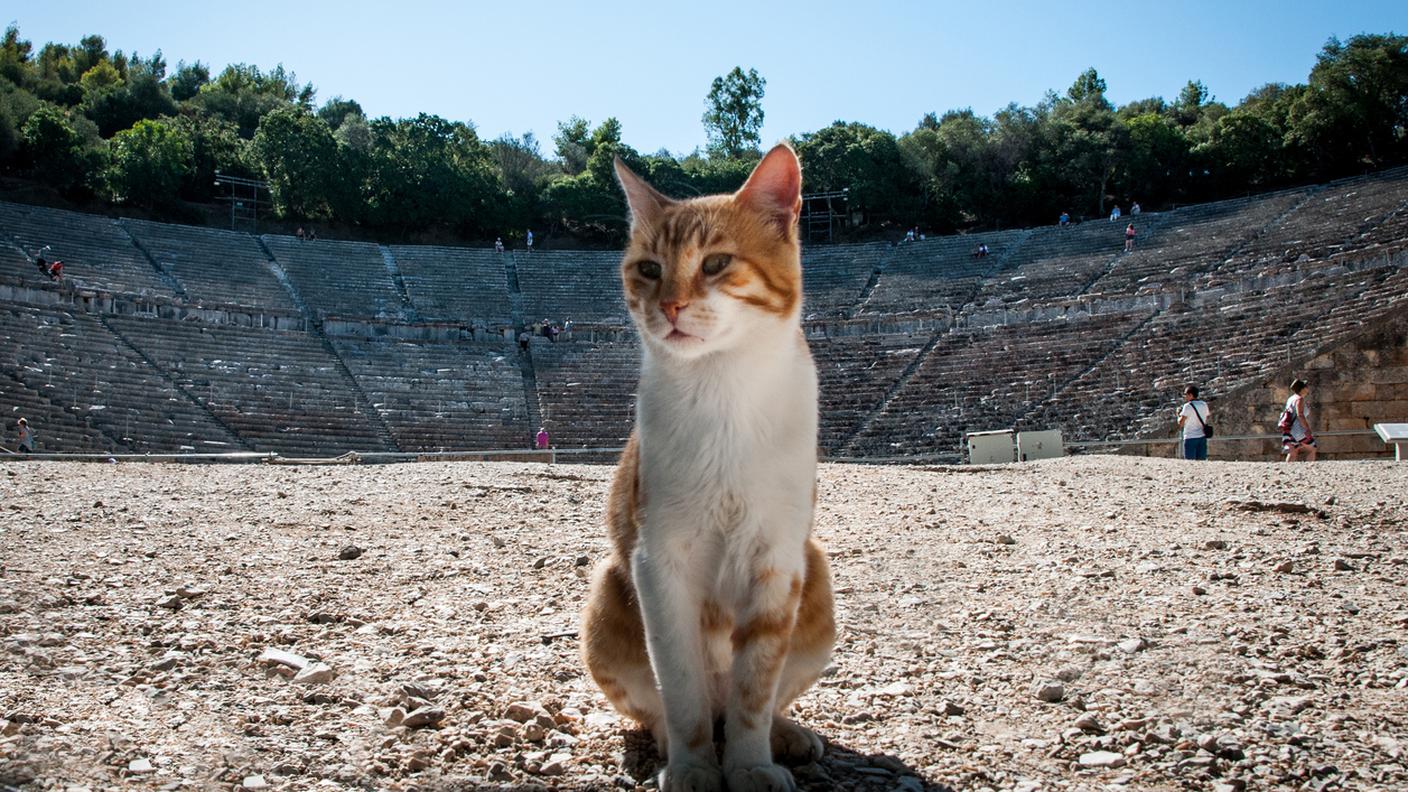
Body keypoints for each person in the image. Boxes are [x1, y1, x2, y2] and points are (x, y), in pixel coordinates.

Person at [1282, 379, 1316, 462]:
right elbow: (1300, 415)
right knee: (1312, 449)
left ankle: (1287, 472)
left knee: (1293, 451)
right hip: (1298, 430)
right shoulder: (1299, 399)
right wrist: (1307, 428)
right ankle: (1310, 471)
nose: (1308, 388)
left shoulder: (1291, 399)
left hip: (1288, 429)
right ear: (1303, 388)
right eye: (1306, 386)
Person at [1176, 385, 1210, 460]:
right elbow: (1206, 417)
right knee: (1201, 462)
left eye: (1185, 394)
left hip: (1190, 437)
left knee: (1190, 462)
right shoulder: (1204, 404)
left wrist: (1178, 415)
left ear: (1190, 395)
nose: (1184, 396)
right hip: (1202, 436)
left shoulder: (1187, 406)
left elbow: (1180, 423)